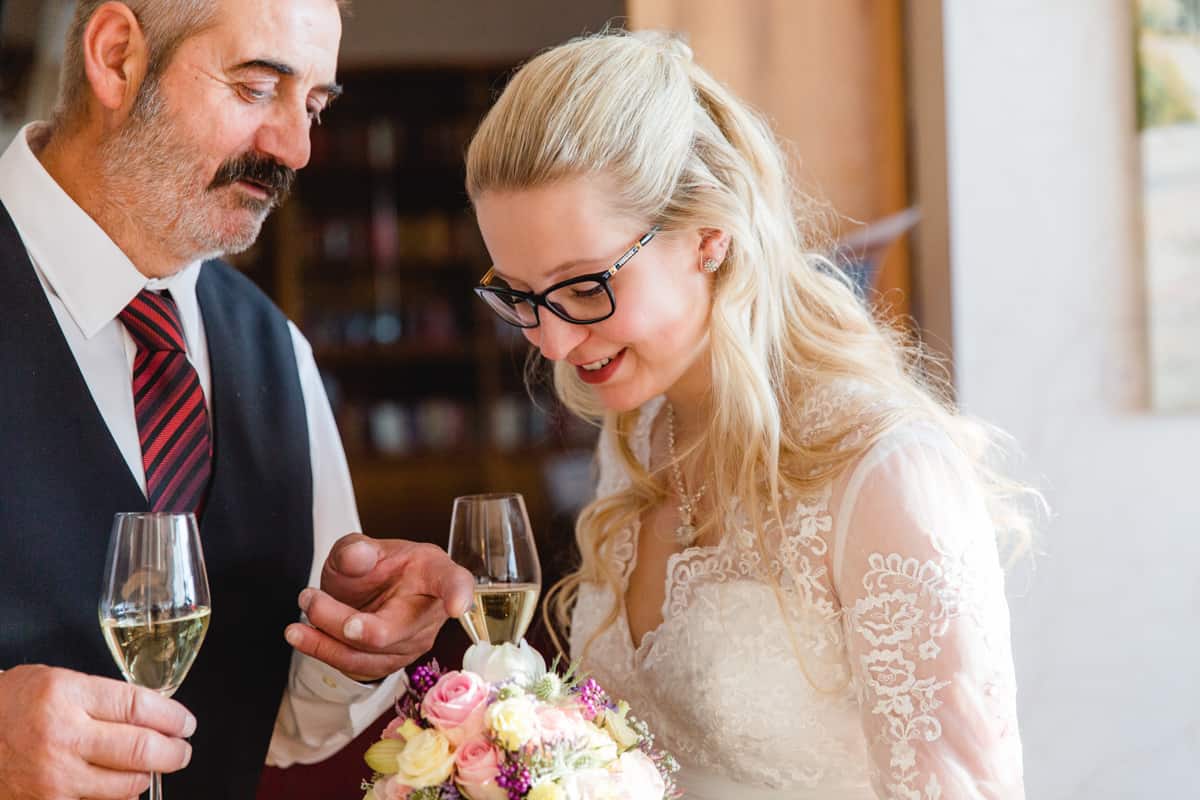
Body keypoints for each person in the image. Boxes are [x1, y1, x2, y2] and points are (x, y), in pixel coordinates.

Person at [465, 30, 1034, 799]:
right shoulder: (637, 434)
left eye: (583, 285)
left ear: (709, 235)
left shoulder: (882, 469)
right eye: (520, 295)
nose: (555, 340)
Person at [0, 2, 473, 798]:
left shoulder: (277, 351)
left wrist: (351, 641)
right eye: (258, 89)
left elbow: (285, 726)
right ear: (116, 57)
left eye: (315, 106)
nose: (296, 148)